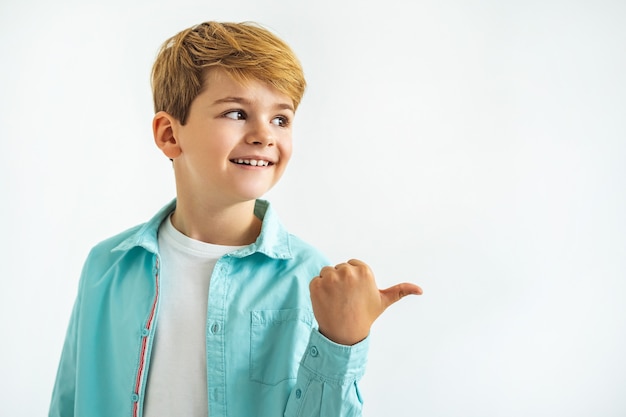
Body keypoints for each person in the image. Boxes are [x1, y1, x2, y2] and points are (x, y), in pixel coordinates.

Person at [49, 21, 422, 417]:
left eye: (281, 119)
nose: (265, 134)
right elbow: (69, 401)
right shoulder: (106, 266)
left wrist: (342, 343)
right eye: (236, 113)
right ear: (169, 135)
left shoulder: (312, 277)